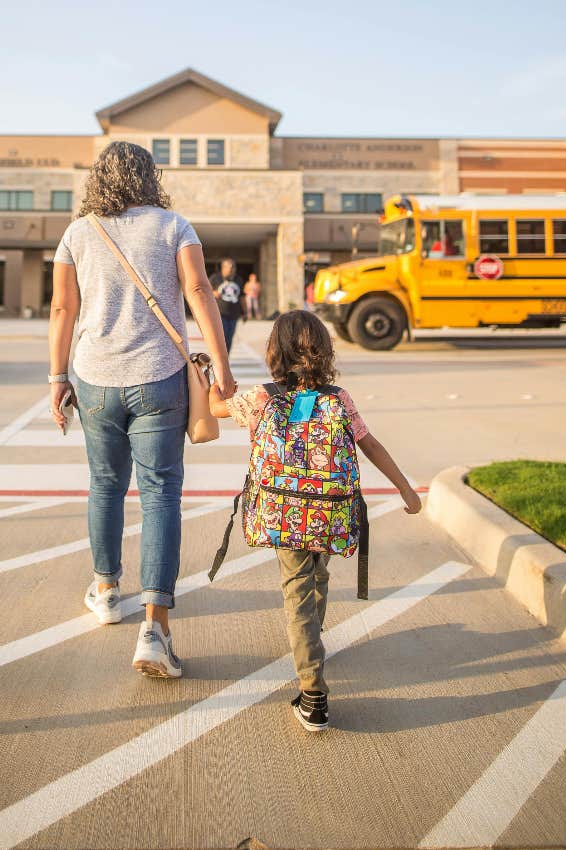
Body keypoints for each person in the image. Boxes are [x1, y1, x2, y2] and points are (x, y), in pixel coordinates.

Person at [49, 140, 237, 679]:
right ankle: (155, 628)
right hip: (160, 378)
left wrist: (57, 378)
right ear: (148, 176)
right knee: (160, 496)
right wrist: (220, 366)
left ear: (98, 179)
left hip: (95, 379)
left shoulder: (77, 232)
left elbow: (64, 307)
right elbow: (199, 290)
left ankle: (106, 590)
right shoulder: (174, 225)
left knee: (105, 485)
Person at [209, 310, 421, 730]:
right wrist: (405, 488)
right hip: (328, 512)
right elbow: (370, 445)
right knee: (317, 576)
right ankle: (313, 643)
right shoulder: (338, 398)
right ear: (324, 351)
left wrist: (208, 381)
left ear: (275, 351)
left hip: (284, 512)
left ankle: (312, 690)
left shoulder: (262, 398)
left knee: (297, 591)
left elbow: (215, 408)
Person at [209, 257, 244, 351]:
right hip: (220, 313)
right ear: (223, 267)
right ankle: (220, 358)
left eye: (234, 267)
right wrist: (213, 293)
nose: (232, 269)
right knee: (222, 337)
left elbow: (242, 297)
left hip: (234, 314)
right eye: (230, 267)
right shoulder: (215, 278)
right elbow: (205, 291)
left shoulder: (238, 279)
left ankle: (226, 358)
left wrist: (245, 312)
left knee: (229, 337)